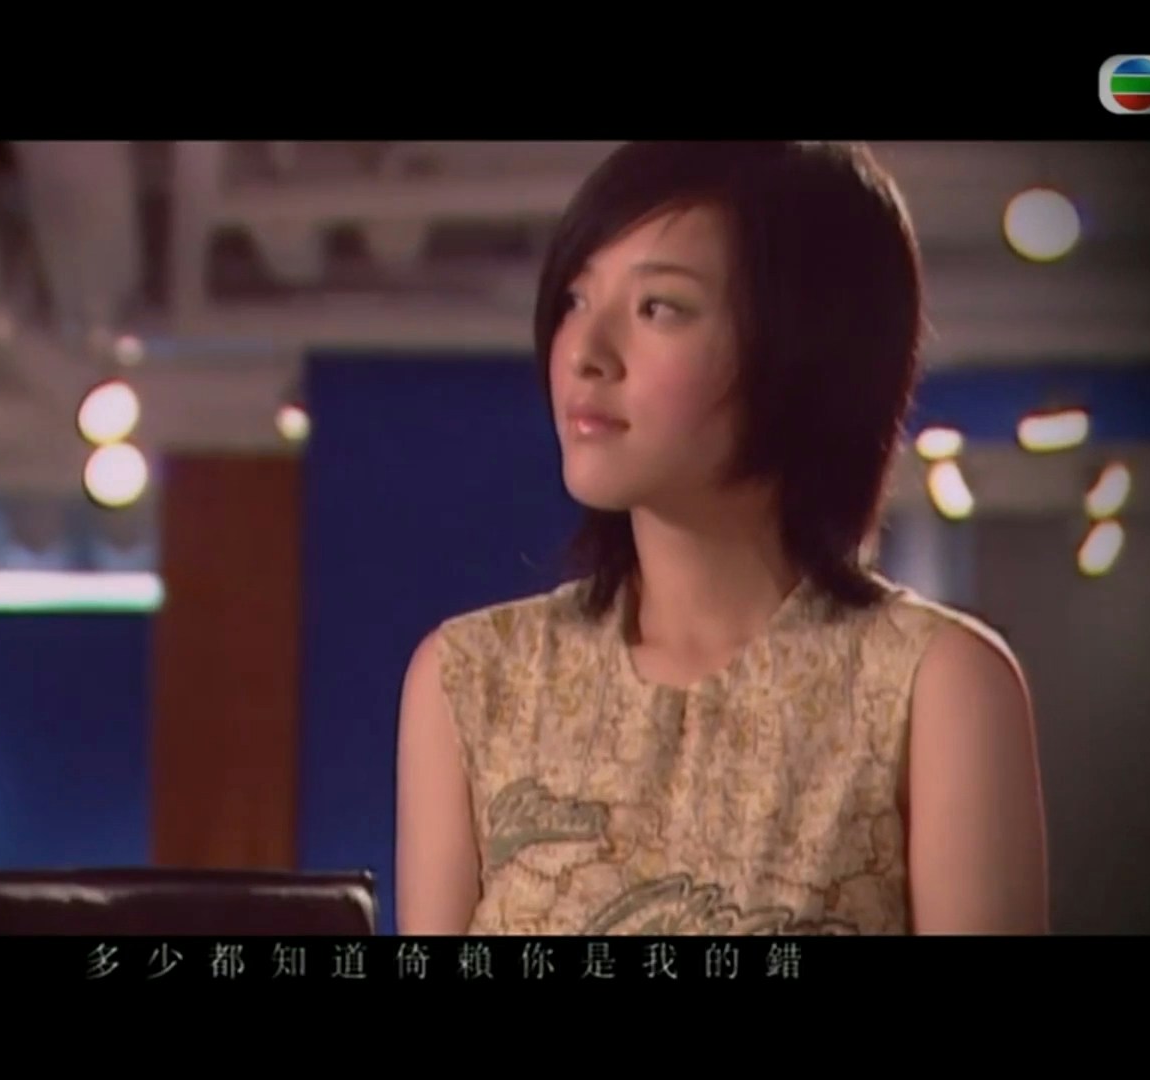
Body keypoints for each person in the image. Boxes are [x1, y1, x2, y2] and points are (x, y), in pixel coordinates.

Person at [393, 141, 1050, 936]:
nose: (586, 354)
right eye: (574, 299)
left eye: (658, 307)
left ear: (804, 344)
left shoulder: (935, 688)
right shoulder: (471, 680)